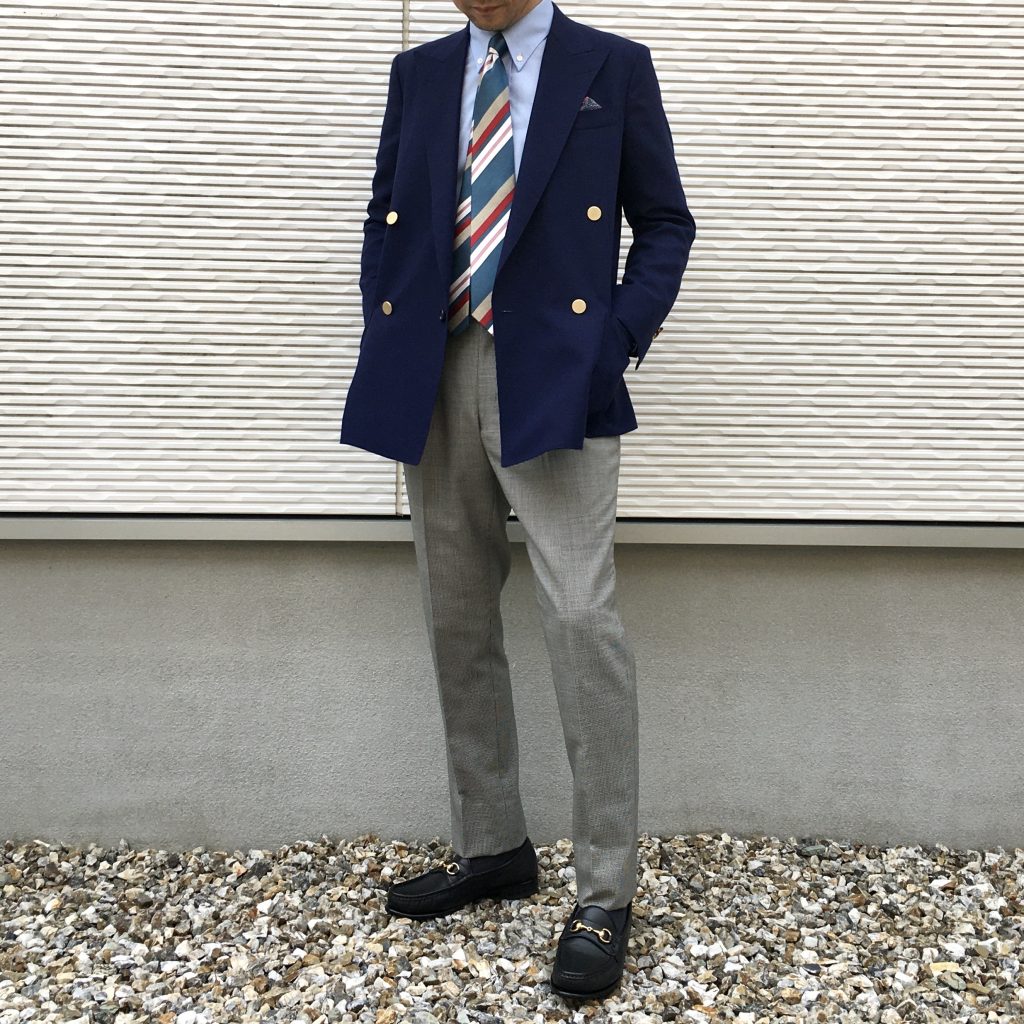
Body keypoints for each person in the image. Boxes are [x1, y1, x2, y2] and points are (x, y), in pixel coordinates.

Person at [339, 0, 695, 1001]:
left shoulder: (610, 66)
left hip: (557, 376)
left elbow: (666, 222)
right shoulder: (419, 74)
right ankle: (493, 846)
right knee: (455, 612)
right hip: (432, 366)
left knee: (580, 619)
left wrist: (612, 341)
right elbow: (386, 214)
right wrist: (387, 318)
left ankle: (606, 894)